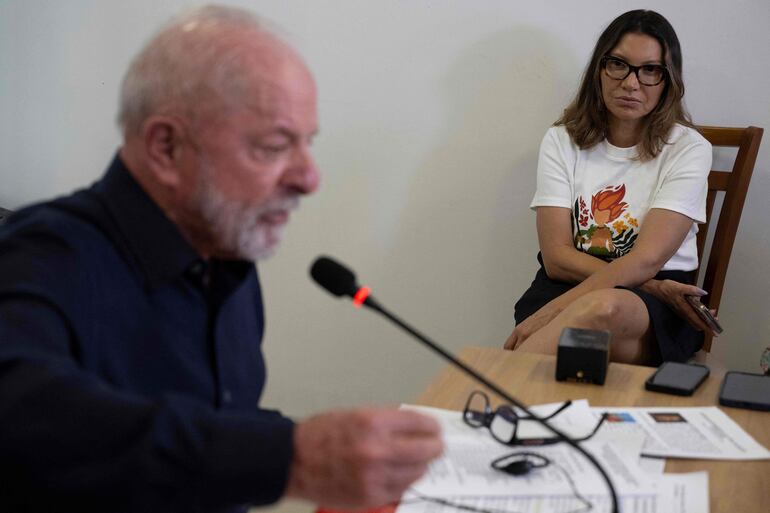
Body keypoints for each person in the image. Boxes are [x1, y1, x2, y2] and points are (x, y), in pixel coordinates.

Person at [0, 6, 443, 513]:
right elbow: (22, 414)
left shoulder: (226, 260)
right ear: (166, 147)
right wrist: (293, 457)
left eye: (307, 143)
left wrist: (336, 450)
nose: (310, 177)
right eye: (276, 145)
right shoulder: (44, 252)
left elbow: (211, 421)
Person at [504, 10, 714, 365]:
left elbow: (647, 259)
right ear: (599, 70)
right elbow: (556, 258)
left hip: (647, 310)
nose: (632, 83)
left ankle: (491, 391)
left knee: (602, 307)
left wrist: (550, 314)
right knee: (585, 336)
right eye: (618, 64)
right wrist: (652, 284)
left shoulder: (689, 149)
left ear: (669, 81)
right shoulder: (561, 140)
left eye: (650, 70)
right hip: (571, 283)